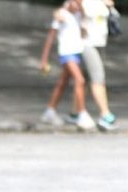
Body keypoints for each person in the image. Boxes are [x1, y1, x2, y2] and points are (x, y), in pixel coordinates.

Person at [38, 0, 95, 130]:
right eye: (77, 3)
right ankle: (82, 114)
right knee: (80, 80)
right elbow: (50, 37)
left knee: (62, 82)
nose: (79, 6)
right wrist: (44, 59)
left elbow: (83, 32)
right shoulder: (62, 14)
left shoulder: (79, 15)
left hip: (76, 52)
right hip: (66, 53)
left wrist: (82, 13)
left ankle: (50, 111)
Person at [75, 0, 118, 130]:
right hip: (87, 43)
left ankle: (75, 111)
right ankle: (105, 114)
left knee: (84, 79)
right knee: (98, 77)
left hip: (99, 43)